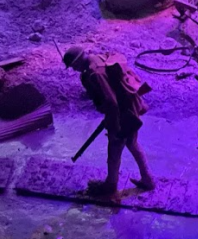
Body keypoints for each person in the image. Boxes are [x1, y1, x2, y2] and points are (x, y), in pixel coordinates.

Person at [63, 46, 154, 195]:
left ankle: (110, 185)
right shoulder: (99, 58)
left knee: (114, 150)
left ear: (77, 61)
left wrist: (114, 125)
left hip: (122, 113)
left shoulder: (95, 73)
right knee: (132, 143)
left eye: (73, 66)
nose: (74, 70)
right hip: (131, 107)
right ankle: (148, 179)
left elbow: (111, 102)